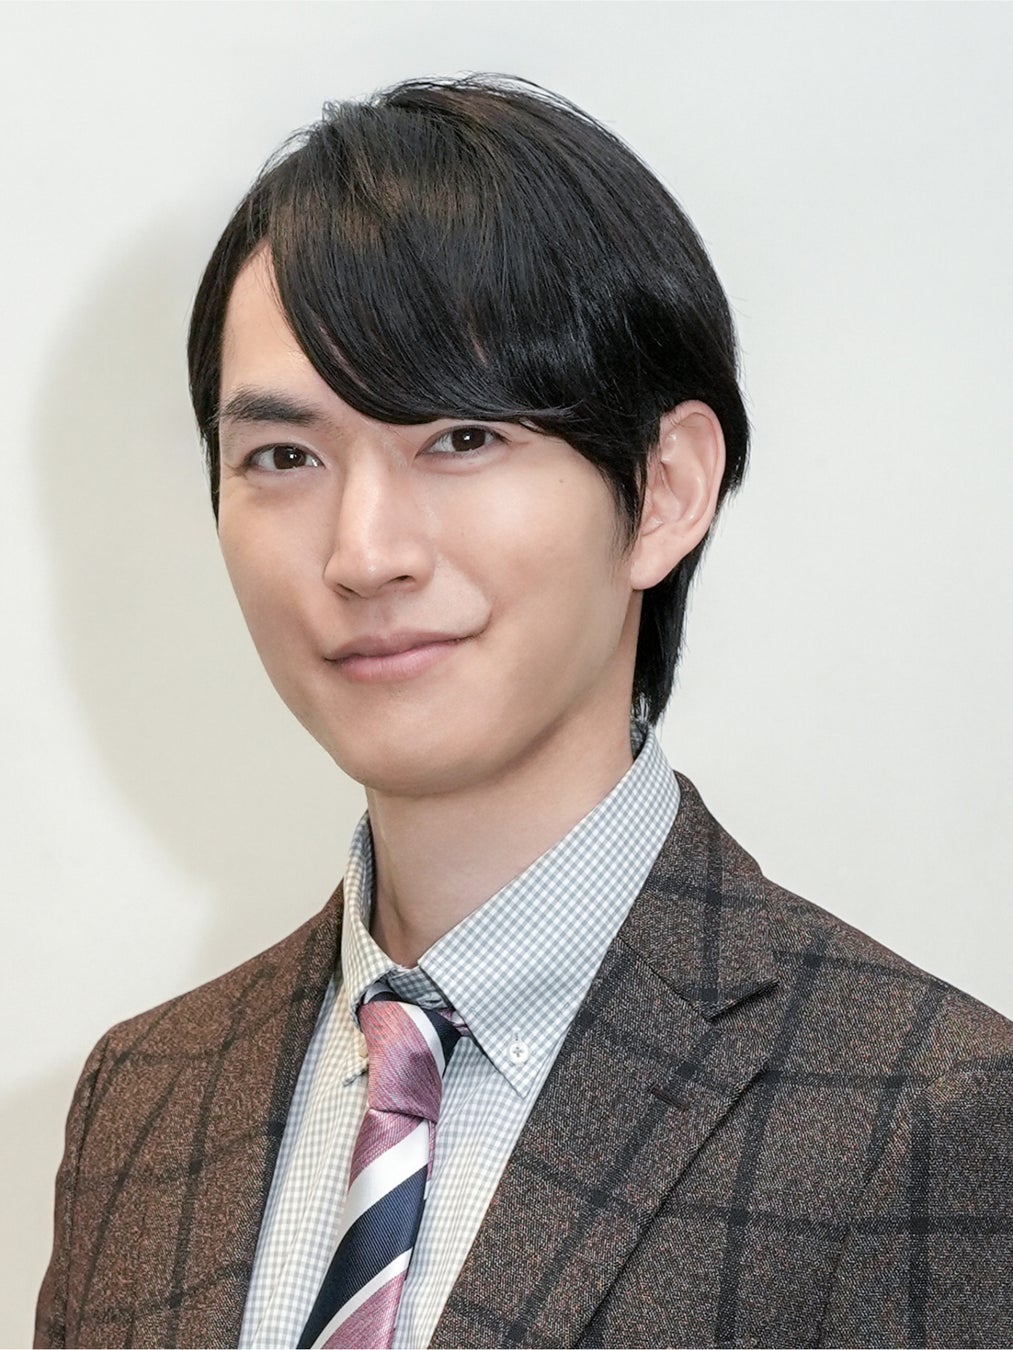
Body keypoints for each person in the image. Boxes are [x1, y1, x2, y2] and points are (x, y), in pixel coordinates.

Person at [36, 75, 1013, 1350]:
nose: (363, 553)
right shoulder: (143, 1103)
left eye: (459, 439)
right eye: (284, 457)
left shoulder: (928, 1117)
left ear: (663, 488)